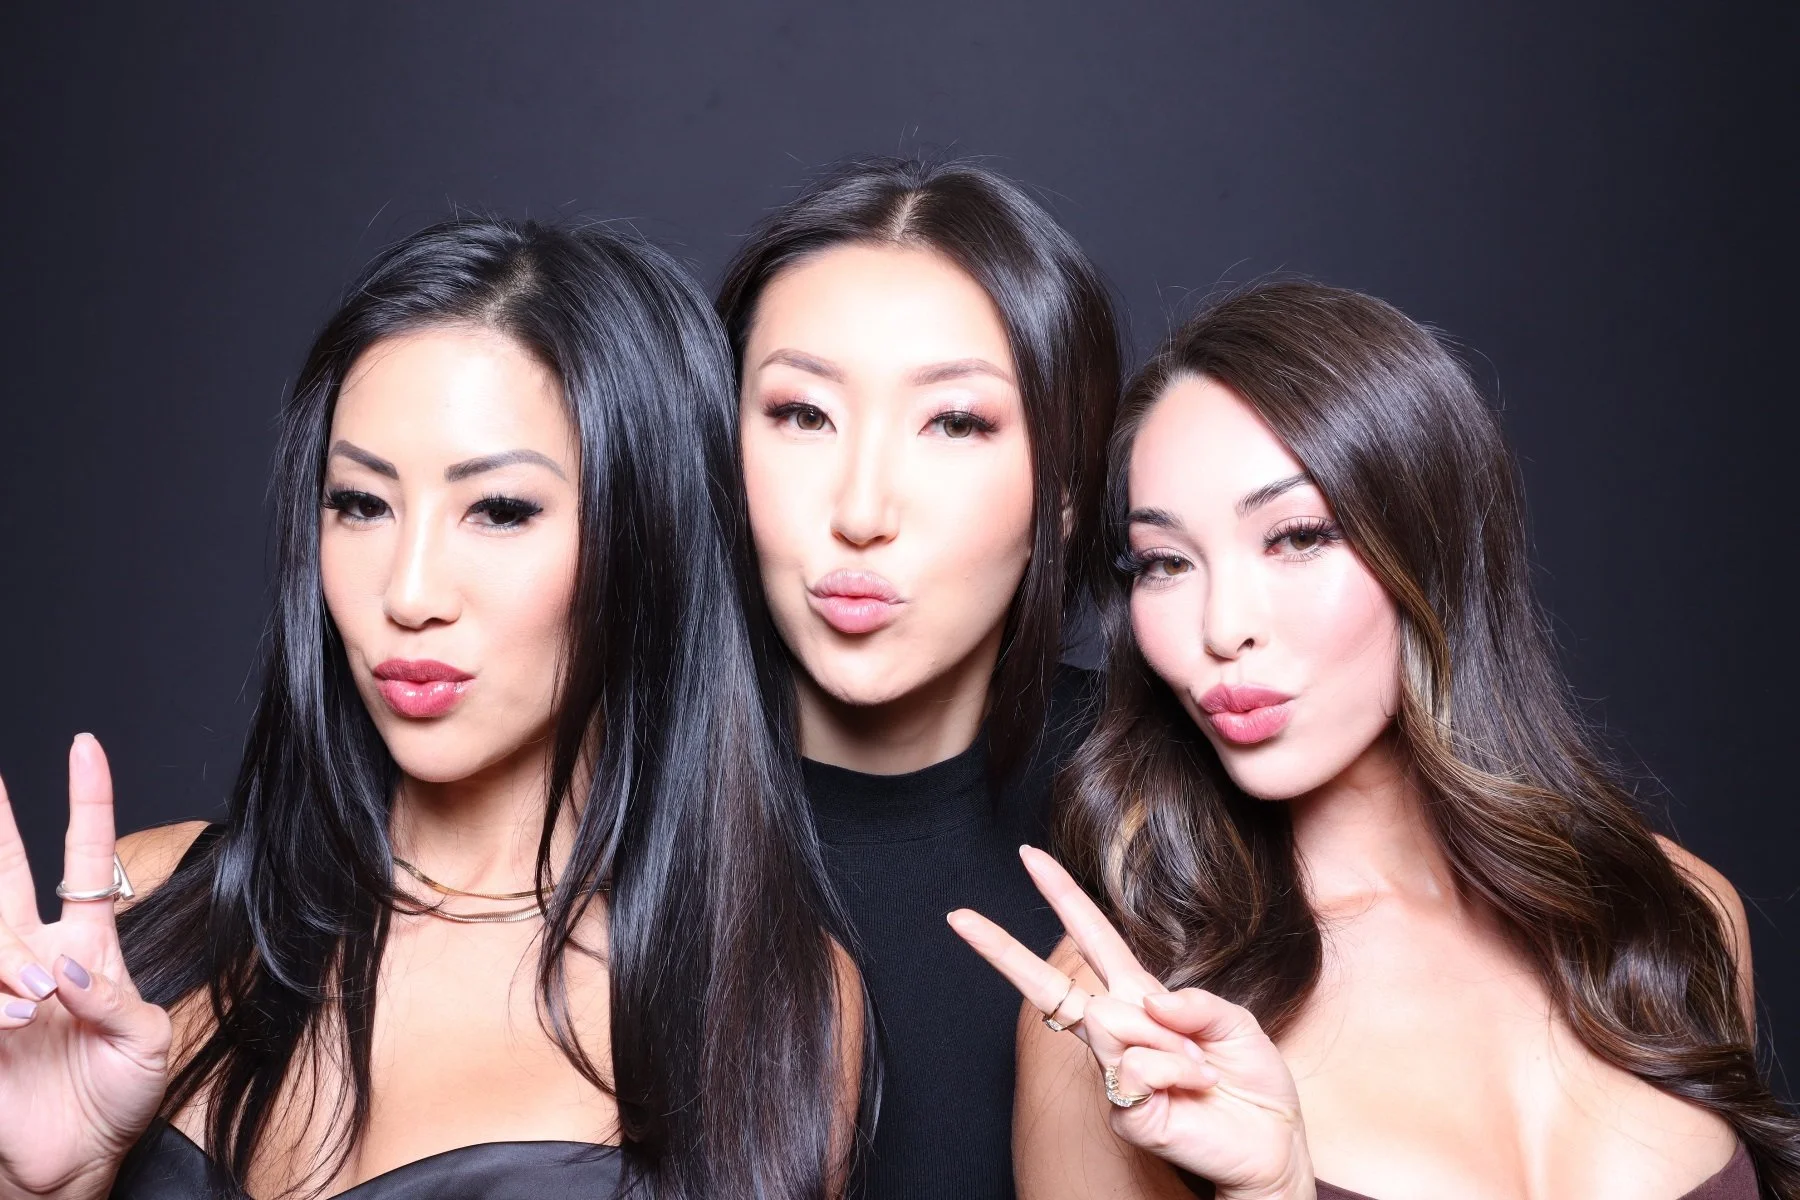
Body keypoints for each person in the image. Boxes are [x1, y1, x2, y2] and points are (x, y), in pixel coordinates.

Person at [0, 217, 864, 1200]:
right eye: (361, 503)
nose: (408, 592)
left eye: (498, 510)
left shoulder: (755, 1001)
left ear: (648, 537)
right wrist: (45, 1188)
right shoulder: (136, 911)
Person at [956, 281, 1798, 1198]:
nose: (1222, 625)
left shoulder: (1672, 915)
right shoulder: (1131, 1018)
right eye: (1165, 562)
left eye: (1297, 537)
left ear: (1430, 548)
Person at [715, 156, 1120, 1198]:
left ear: (1066, 493)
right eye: (803, 414)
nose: (860, 508)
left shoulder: (1174, 815)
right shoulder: (596, 809)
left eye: (955, 422)